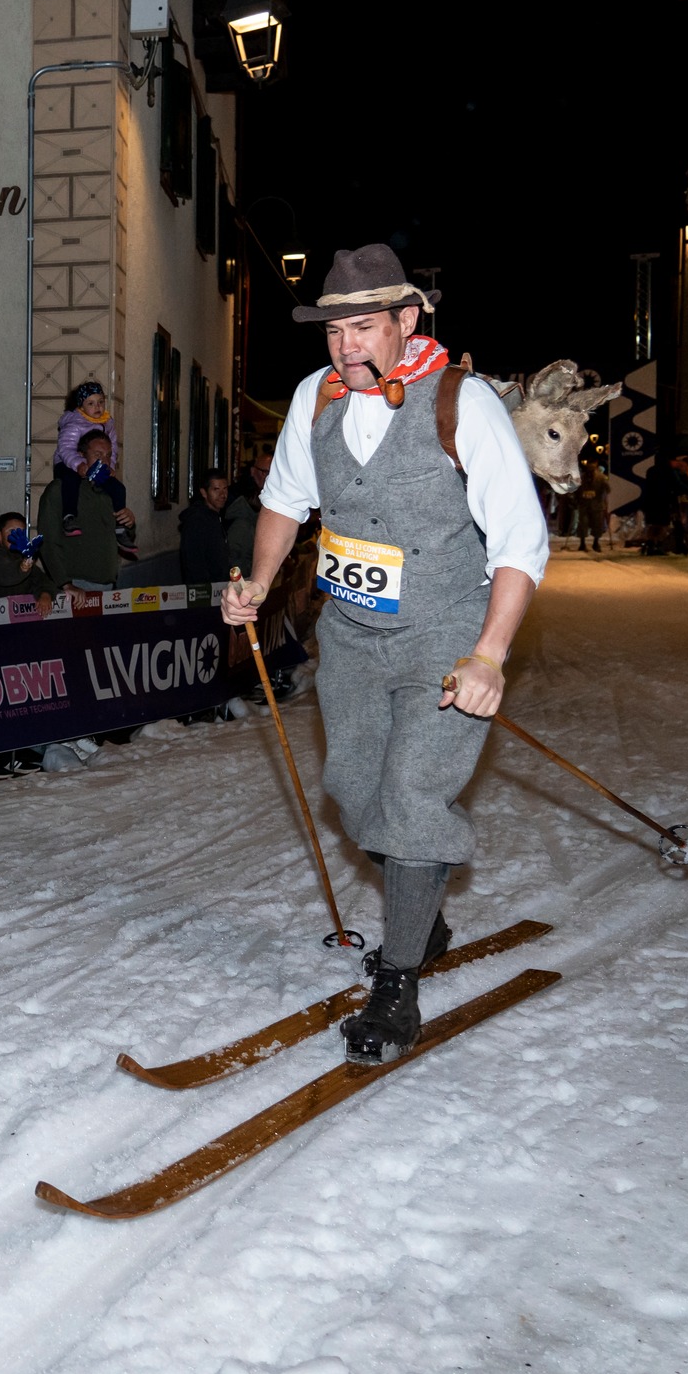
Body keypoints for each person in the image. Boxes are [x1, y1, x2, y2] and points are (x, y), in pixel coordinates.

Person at [219, 245, 548, 1066]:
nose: (347, 346)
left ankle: (398, 980)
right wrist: (258, 583)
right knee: (352, 790)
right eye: (335, 330)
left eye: (365, 326)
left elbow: (520, 540)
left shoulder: (460, 404)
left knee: (411, 794)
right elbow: (283, 500)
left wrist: (490, 657)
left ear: (407, 321)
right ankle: (420, 899)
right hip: (354, 638)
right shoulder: (315, 397)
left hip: (445, 636)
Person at [38, 429, 132, 590]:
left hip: (107, 582)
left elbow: (123, 537)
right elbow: (47, 541)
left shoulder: (110, 492)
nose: (105, 461)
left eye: (108, 455)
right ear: (81, 456)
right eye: (98, 455)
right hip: (76, 584)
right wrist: (65, 583)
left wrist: (129, 522)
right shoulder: (60, 490)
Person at [53, 381, 137, 554]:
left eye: (100, 402)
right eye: (91, 403)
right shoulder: (75, 423)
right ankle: (69, 516)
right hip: (67, 463)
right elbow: (65, 449)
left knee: (117, 488)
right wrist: (79, 465)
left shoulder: (108, 423)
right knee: (71, 481)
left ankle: (120, 526)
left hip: (96, 467)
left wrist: (110, 465)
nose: (97, 407)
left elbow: (112, 449)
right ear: (81, 406)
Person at [0, 512, 57, 611]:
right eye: (11, 531)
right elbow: (3, 573)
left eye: (21, 532)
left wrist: (45, 594)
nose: (16, 536)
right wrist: (22, 568)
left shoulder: (23, 559)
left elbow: (43, 581)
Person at [179, 467, 232, 584]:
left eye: (225, 489)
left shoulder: (216, 518)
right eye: (216, 489)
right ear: (204, 492)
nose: (222, 494)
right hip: (205, 594)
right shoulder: (196, 522)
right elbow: (194, 563)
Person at [225, 448, 270, 575]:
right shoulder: (240, 506)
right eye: (265, 472)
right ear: (253, 471)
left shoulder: (266, 496)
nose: (269, 478)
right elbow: (236, 558)